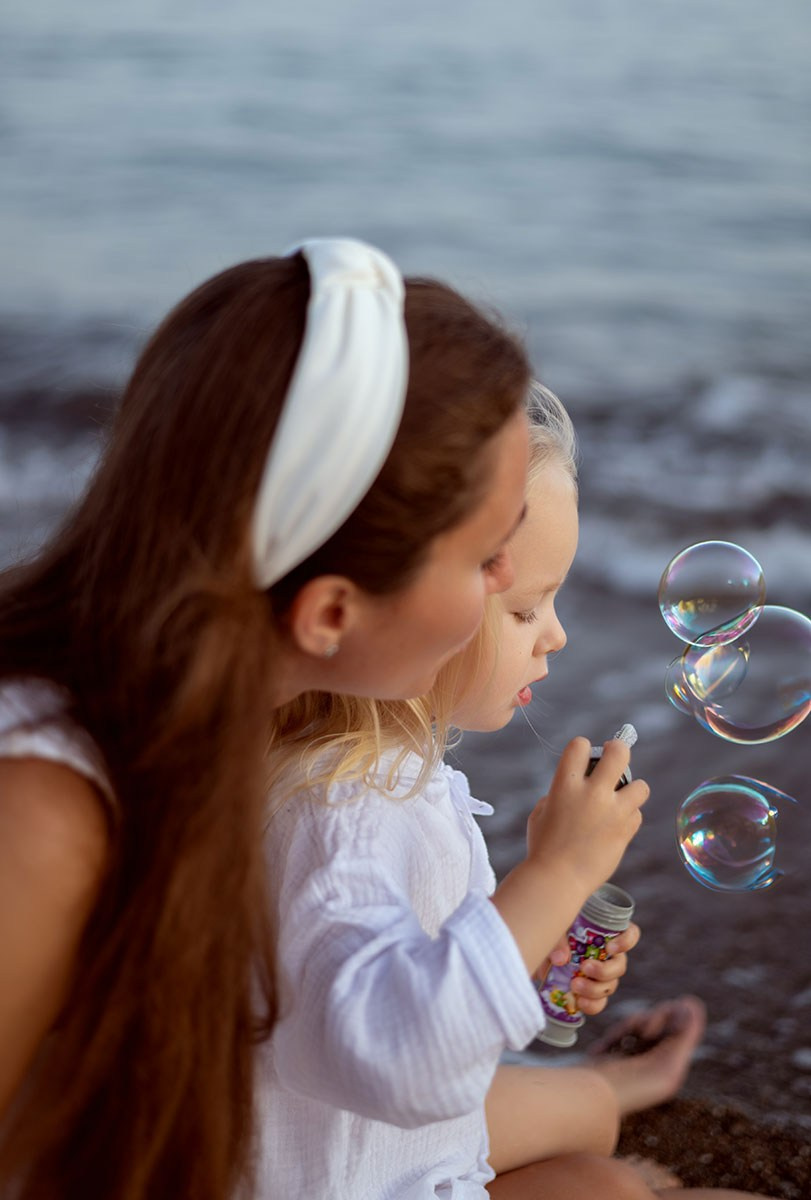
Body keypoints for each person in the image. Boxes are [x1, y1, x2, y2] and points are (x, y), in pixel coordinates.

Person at [0, 238, 532, 1200]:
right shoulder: (43, 810)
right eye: (485, 557)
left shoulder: (222, 727)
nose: (506, 584)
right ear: (329, 614)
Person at [260, 386, 778, 1200]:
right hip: (355, 1166)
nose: (557, 634)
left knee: (588, 1125)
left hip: (341, 1129)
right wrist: (556, 873)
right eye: (527, 607)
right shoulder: (342, 817)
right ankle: (607, 1105)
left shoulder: (335, 771)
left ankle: (610, 1090)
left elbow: (389, 966)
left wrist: (532, 947)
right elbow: (404, 1057)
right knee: (608, 1186)